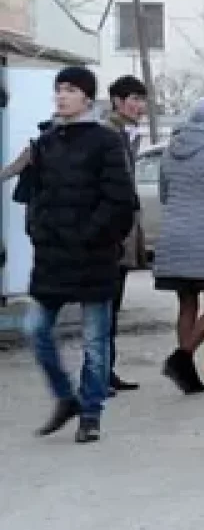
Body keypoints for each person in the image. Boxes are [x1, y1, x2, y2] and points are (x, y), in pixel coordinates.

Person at [22, 67, 137, 443]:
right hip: (52, 256)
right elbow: (33, 195)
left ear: (87, 97)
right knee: (35, 329)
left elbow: (120, 200)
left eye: (70, 89)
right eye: (58, 89)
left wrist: (92, 235)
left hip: (92, 256)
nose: (61, 96)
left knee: (95, 340)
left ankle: (90, 412)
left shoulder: (105, 141)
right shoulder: (46, 141)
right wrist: (37, 230)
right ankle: (64, 397)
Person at [154, 98, 204, 395]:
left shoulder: (170, 150)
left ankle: (186, 373)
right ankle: (182, 358)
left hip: (173, 236)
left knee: (186, 302)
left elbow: (164, 194)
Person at [102, 75, 149, 395]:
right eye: (134, 99)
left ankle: (106, 370)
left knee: (111, 306)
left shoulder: (124, 134)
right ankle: (98, 374)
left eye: (142, 100)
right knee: (103, 307)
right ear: (118, 101)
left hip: (120, 232)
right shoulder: (109, 134)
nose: (140, 106)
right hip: (109, 235)